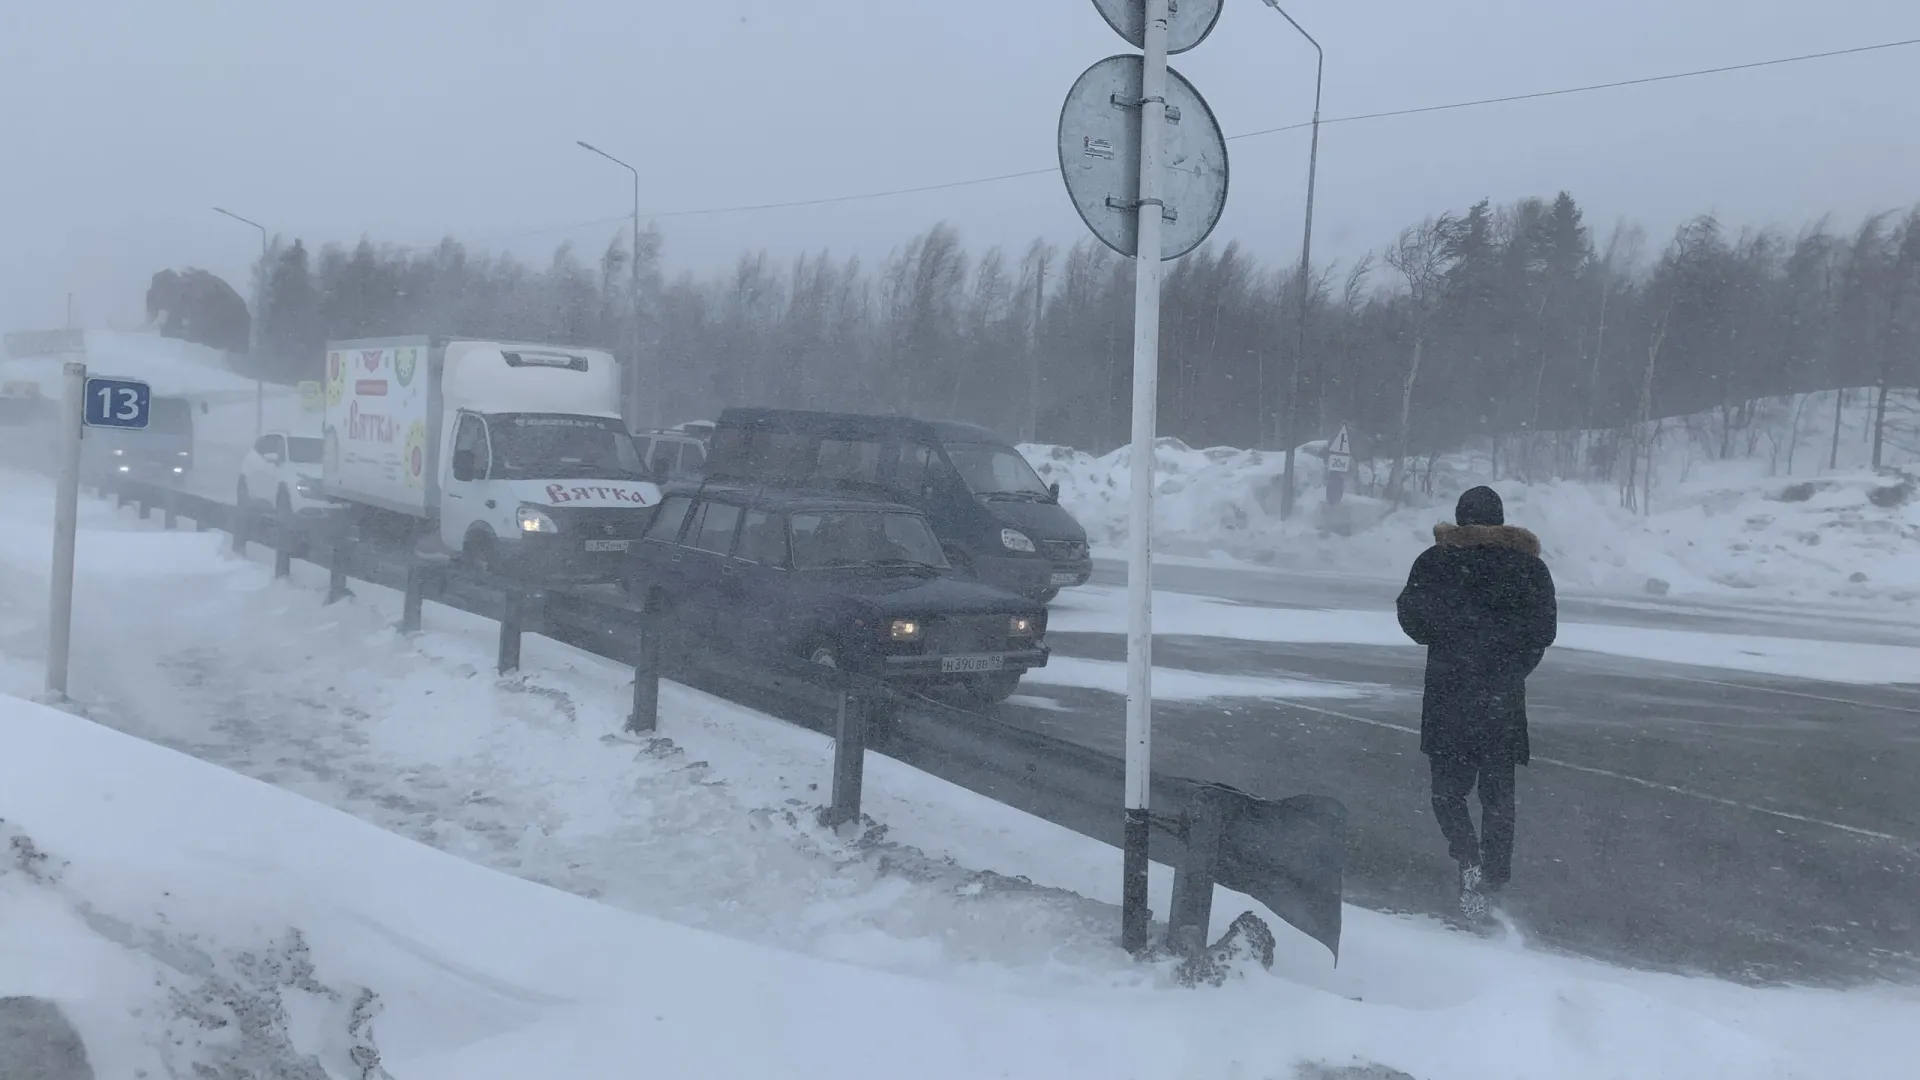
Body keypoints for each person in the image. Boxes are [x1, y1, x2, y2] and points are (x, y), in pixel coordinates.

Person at [1396, 486, 1557, 921]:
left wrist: (1449, 638)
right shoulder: (1529, 568)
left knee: (1448, 792)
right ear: (1503, 521)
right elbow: (1543, 631)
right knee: (1498, 794)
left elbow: (1412, 618)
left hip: (1449, 691)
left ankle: (1467, 859)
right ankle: (1496, 876)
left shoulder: (1436, 562)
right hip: (1502, 697)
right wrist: (1512, 667)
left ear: (1459, 518)